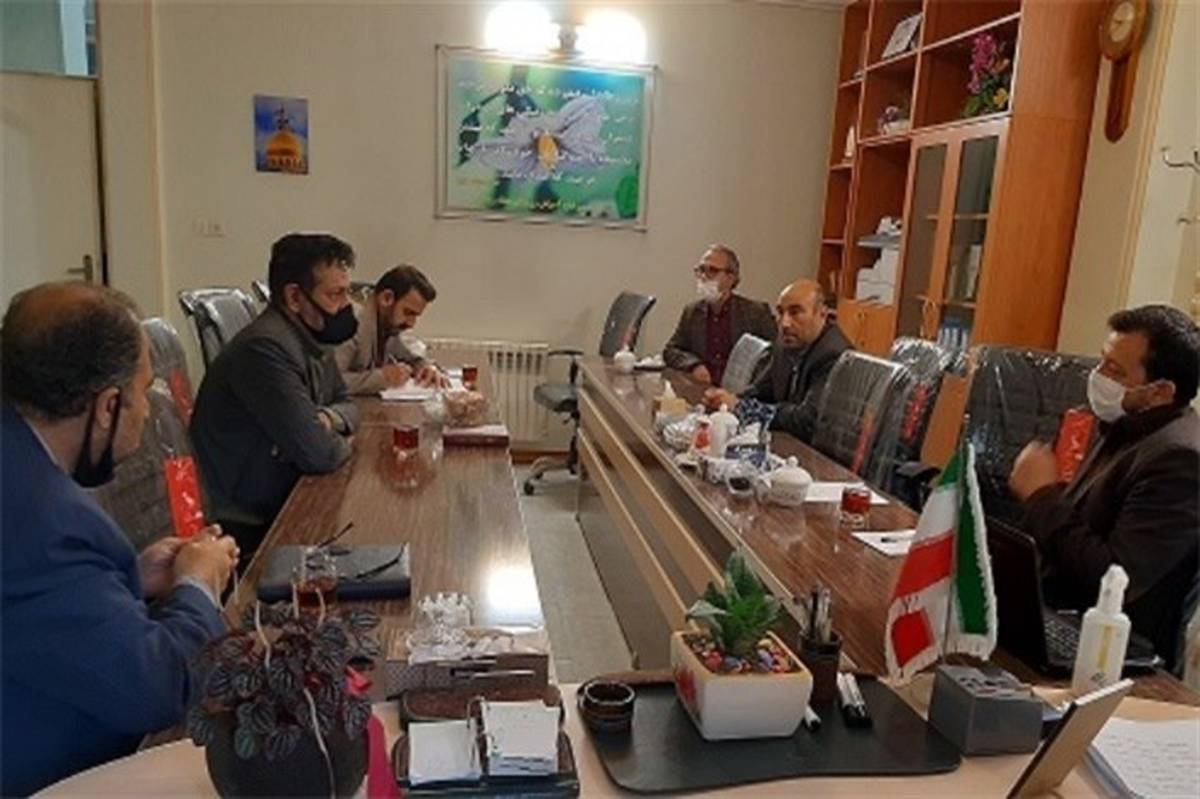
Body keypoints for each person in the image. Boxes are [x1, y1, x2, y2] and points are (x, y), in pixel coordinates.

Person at [1, 282, 237, 796]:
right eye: (143, 392)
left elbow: (45, 616)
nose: (149, 412)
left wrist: (128, 575)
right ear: (108, 405)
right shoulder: (44, 524)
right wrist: (199, 584)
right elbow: (162, 687)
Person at [1009, 304, 1200, 669]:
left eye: (1115, 370)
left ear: (1160, 391)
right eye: (1102, 362)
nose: (1098, 376)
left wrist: (1042, 497)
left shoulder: (1180, 461)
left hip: (1111, 656)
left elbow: (1113, 578)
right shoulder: (1125, 426)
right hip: (1058, 619)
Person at [190, 233, 360, 561]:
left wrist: (327, 419)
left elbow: (346, 401)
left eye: (347, 292)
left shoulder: (311, 335)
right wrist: (342, 439)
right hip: (244, 523)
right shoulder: (264, 349)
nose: (346, 306)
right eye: (335, 294)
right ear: (294, 297)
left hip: (285, 491)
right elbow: (319, 454)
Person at [703, 278, 851, 442]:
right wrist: (726, 401)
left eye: (795, 312)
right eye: (780, 312)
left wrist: (741, 407)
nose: (785, 323)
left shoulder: (836, 356)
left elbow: (806, 420)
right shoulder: (785, 344)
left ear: (822, 314)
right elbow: (761, 390)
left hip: (816, 451)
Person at [663, 245, 776, 386]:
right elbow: (671, 350)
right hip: (702, 389)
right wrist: (694, 365)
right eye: (701, 270)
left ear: (731, 278)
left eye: (712, 271)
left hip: (742, 392)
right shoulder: (692, 312)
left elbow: (776, 355)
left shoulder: (755, 312)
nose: (704, 276)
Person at [335, 263, 445, 394]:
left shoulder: (387, 323)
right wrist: (382, 378)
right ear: (386, 298)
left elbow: (409, 359)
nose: (411, 324)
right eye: (408, 313)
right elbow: (327, 383)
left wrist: (426, 367)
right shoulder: (350, 321)